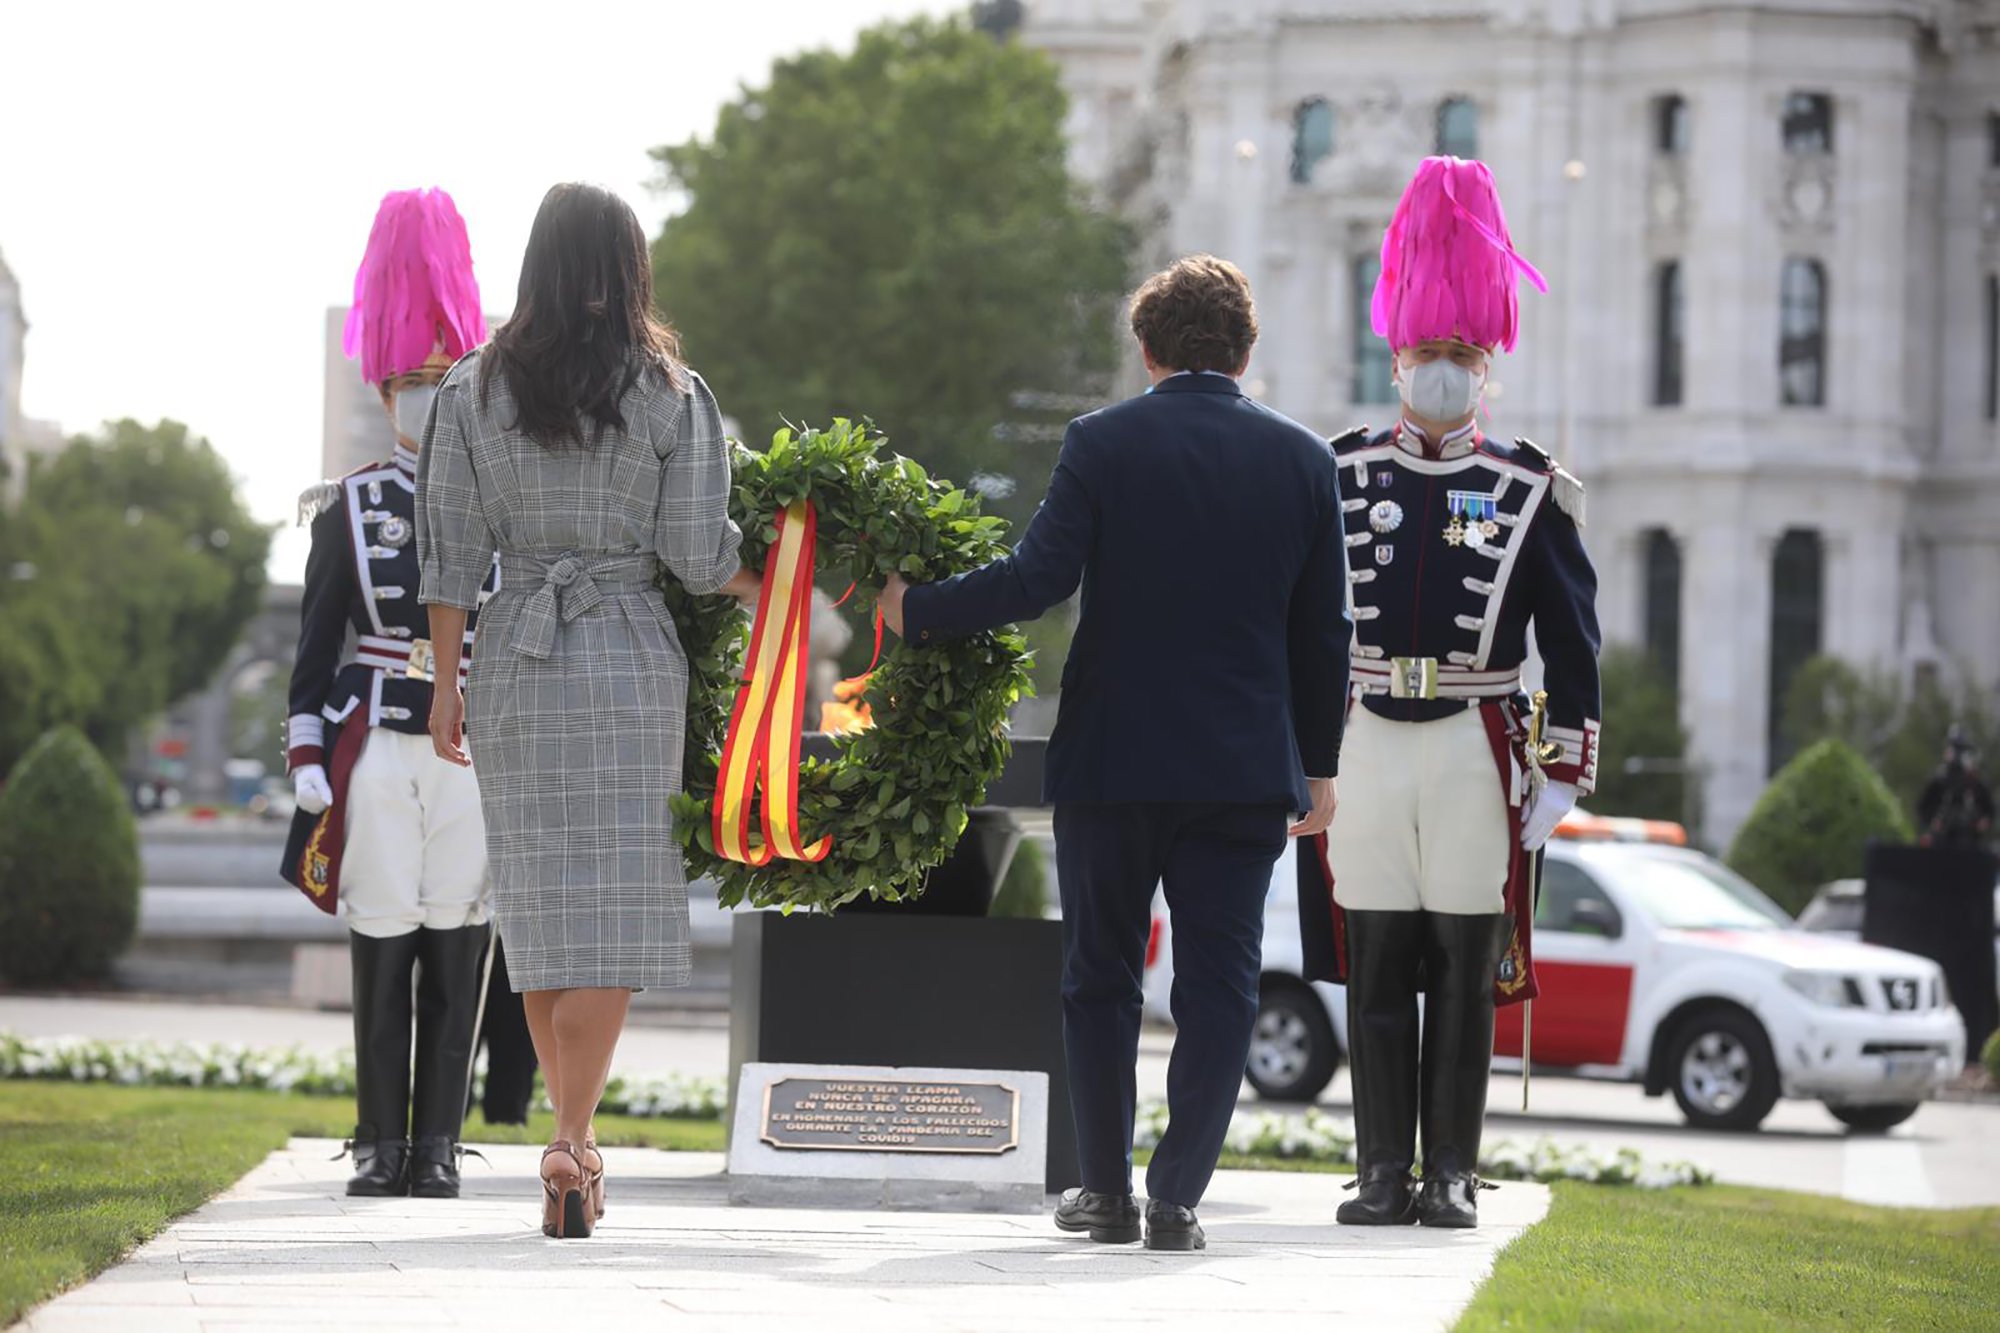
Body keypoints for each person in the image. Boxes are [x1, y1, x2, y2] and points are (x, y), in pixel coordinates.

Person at [879, 255, 1351, 1253]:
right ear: (1246, 350)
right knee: (1219, 986)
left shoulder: (1101, 441)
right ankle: (1177, 1195)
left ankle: (1100, 1189)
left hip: (1114, 760)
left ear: (1144, 349)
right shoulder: (1306, 462)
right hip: (1239, 770)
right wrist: (1317, 762)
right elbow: (1323, 635)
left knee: (1100, 976)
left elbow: (1034, 579)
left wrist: (917, 609)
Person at [416, 182, 757, 1240]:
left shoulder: (469, 390)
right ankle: (574, 1132)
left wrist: (444, 684)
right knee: (611, 907)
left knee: (538, 902)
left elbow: (450, 553)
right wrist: (786, 575)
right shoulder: (670, 391)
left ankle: (561, 1142)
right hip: (626, 658)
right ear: (629, 264)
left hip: (514, 653)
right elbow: (702, 560)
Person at [1298, 156, 1602, 1230]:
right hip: (1368, 734)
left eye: (1461, 353)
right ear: (1396, 356)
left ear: (1490, 365)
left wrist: (1562, 769)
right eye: (1428, 350)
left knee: (1465, 965)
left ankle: (1452, 1173)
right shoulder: (1335, 474)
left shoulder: (1528, 488)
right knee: (1374, 955)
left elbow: (1571, 638)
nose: (1443, 368)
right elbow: (1298, 620)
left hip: (1476, 738)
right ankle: (1381, 1167)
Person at [281, 187, 497, 1201]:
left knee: (457, 924)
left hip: (471, 746)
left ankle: (439, 1144)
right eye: (408, 378)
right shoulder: (352, 504)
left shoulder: (503, 501)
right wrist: (305, 752)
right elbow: (316, 646)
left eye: (439, 376)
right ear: (383, 389)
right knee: (381, 922)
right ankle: (376, 1140)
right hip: (374, 739)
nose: (422, 394)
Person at [1917, 726, 1995, 848]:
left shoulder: (1974, 781)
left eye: (1961, 749)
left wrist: (1984, 822)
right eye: (1954, 748)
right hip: (1942, 838)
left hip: (1969, 838)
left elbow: (1989, 809)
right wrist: (1932, 822)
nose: (1957, 753)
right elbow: (1923, 806)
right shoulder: (1939, 779)